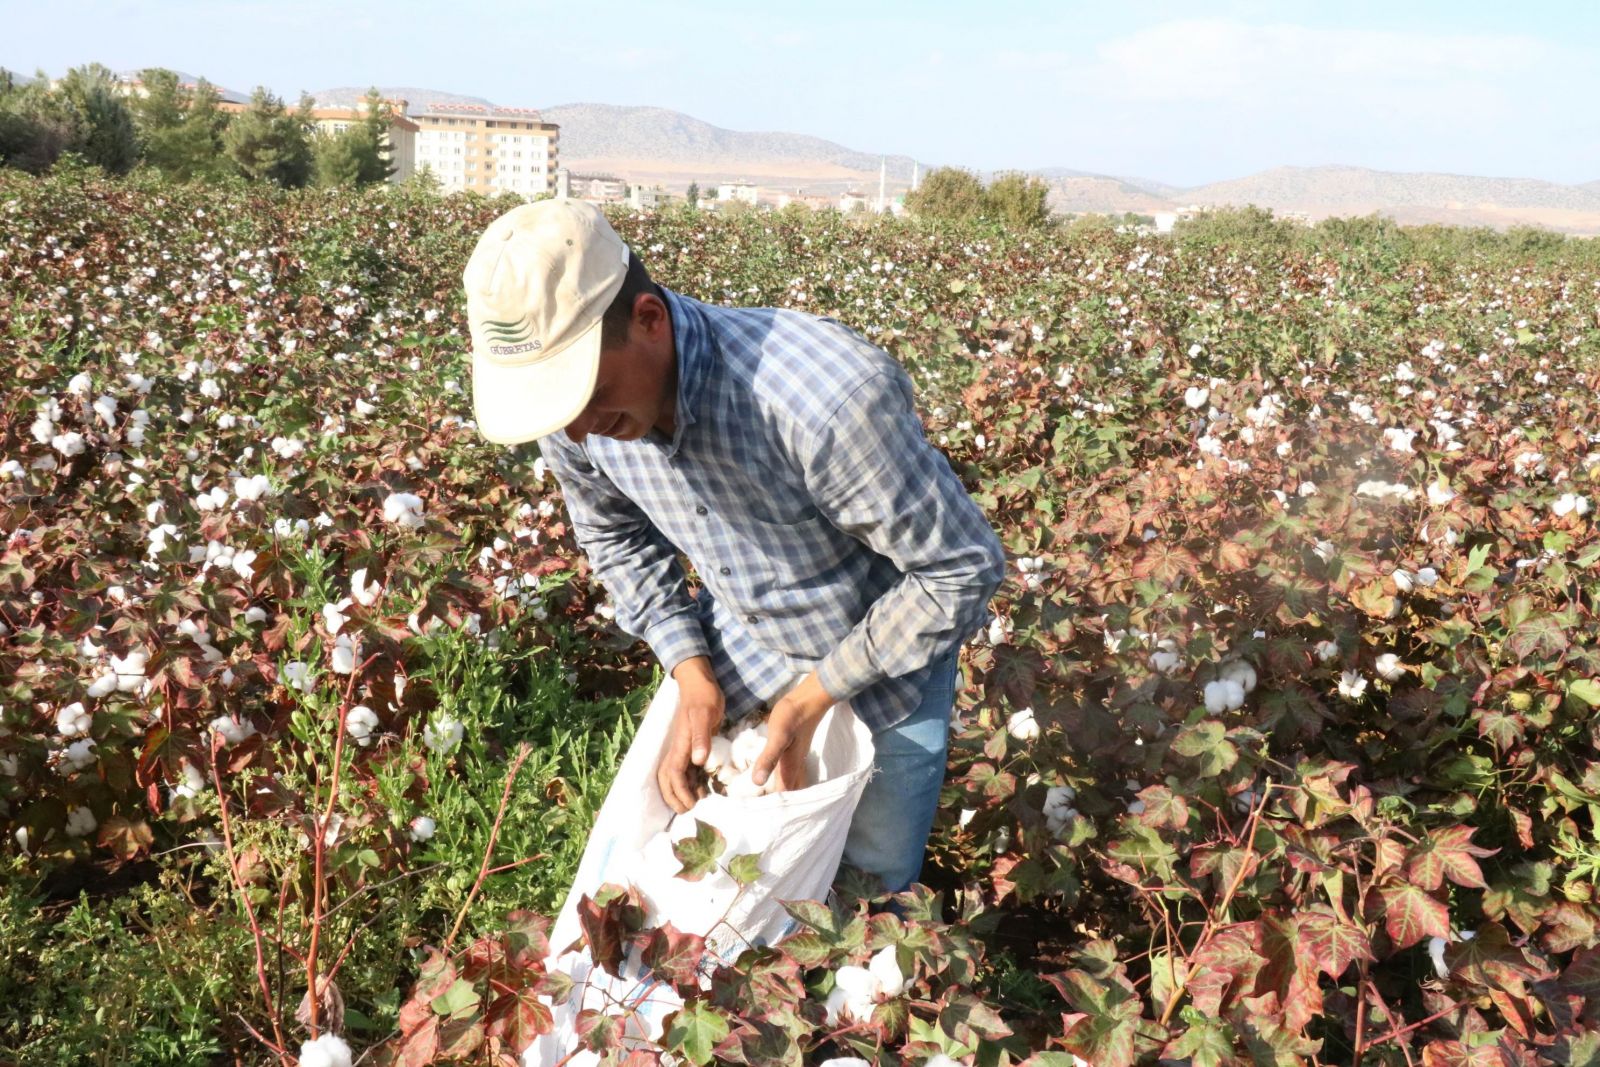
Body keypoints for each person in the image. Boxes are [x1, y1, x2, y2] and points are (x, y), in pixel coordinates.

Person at [464, 199, 1005, 894]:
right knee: (709, 898)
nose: (575, 433)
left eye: (587, 395)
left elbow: (959, 569)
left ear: (649, 320)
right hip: (738, 651)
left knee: (869, 896)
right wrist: (691, 673)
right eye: (558, 407)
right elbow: (614, 534)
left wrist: (810, 700)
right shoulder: (577, 417)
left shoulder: (823, 401)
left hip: (888, 669)